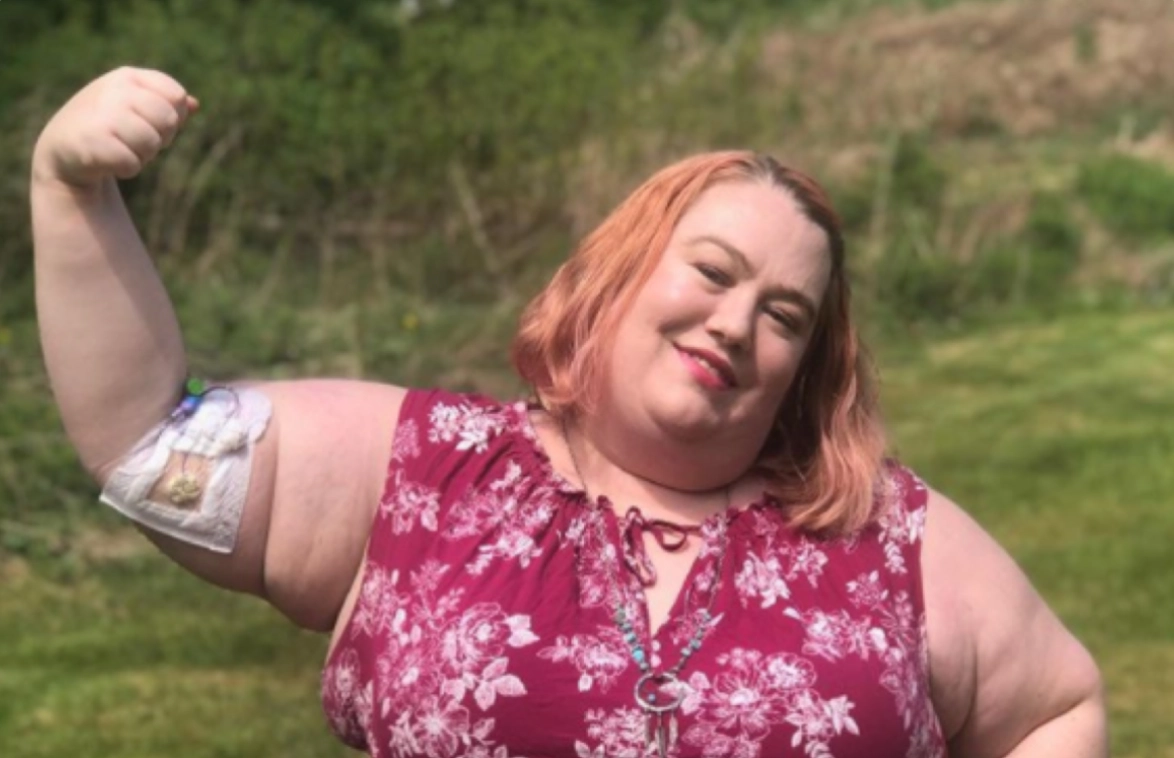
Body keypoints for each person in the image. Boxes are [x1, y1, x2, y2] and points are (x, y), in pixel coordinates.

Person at [31, 67, 1106, 757]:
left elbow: (1056, 705)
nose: (735, 323)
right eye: (712, 271)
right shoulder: (426, 476)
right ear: (619, 275)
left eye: (783, 313)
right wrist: (74, 195)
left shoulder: (881, 534)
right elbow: (150, 448)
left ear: (804, 365)